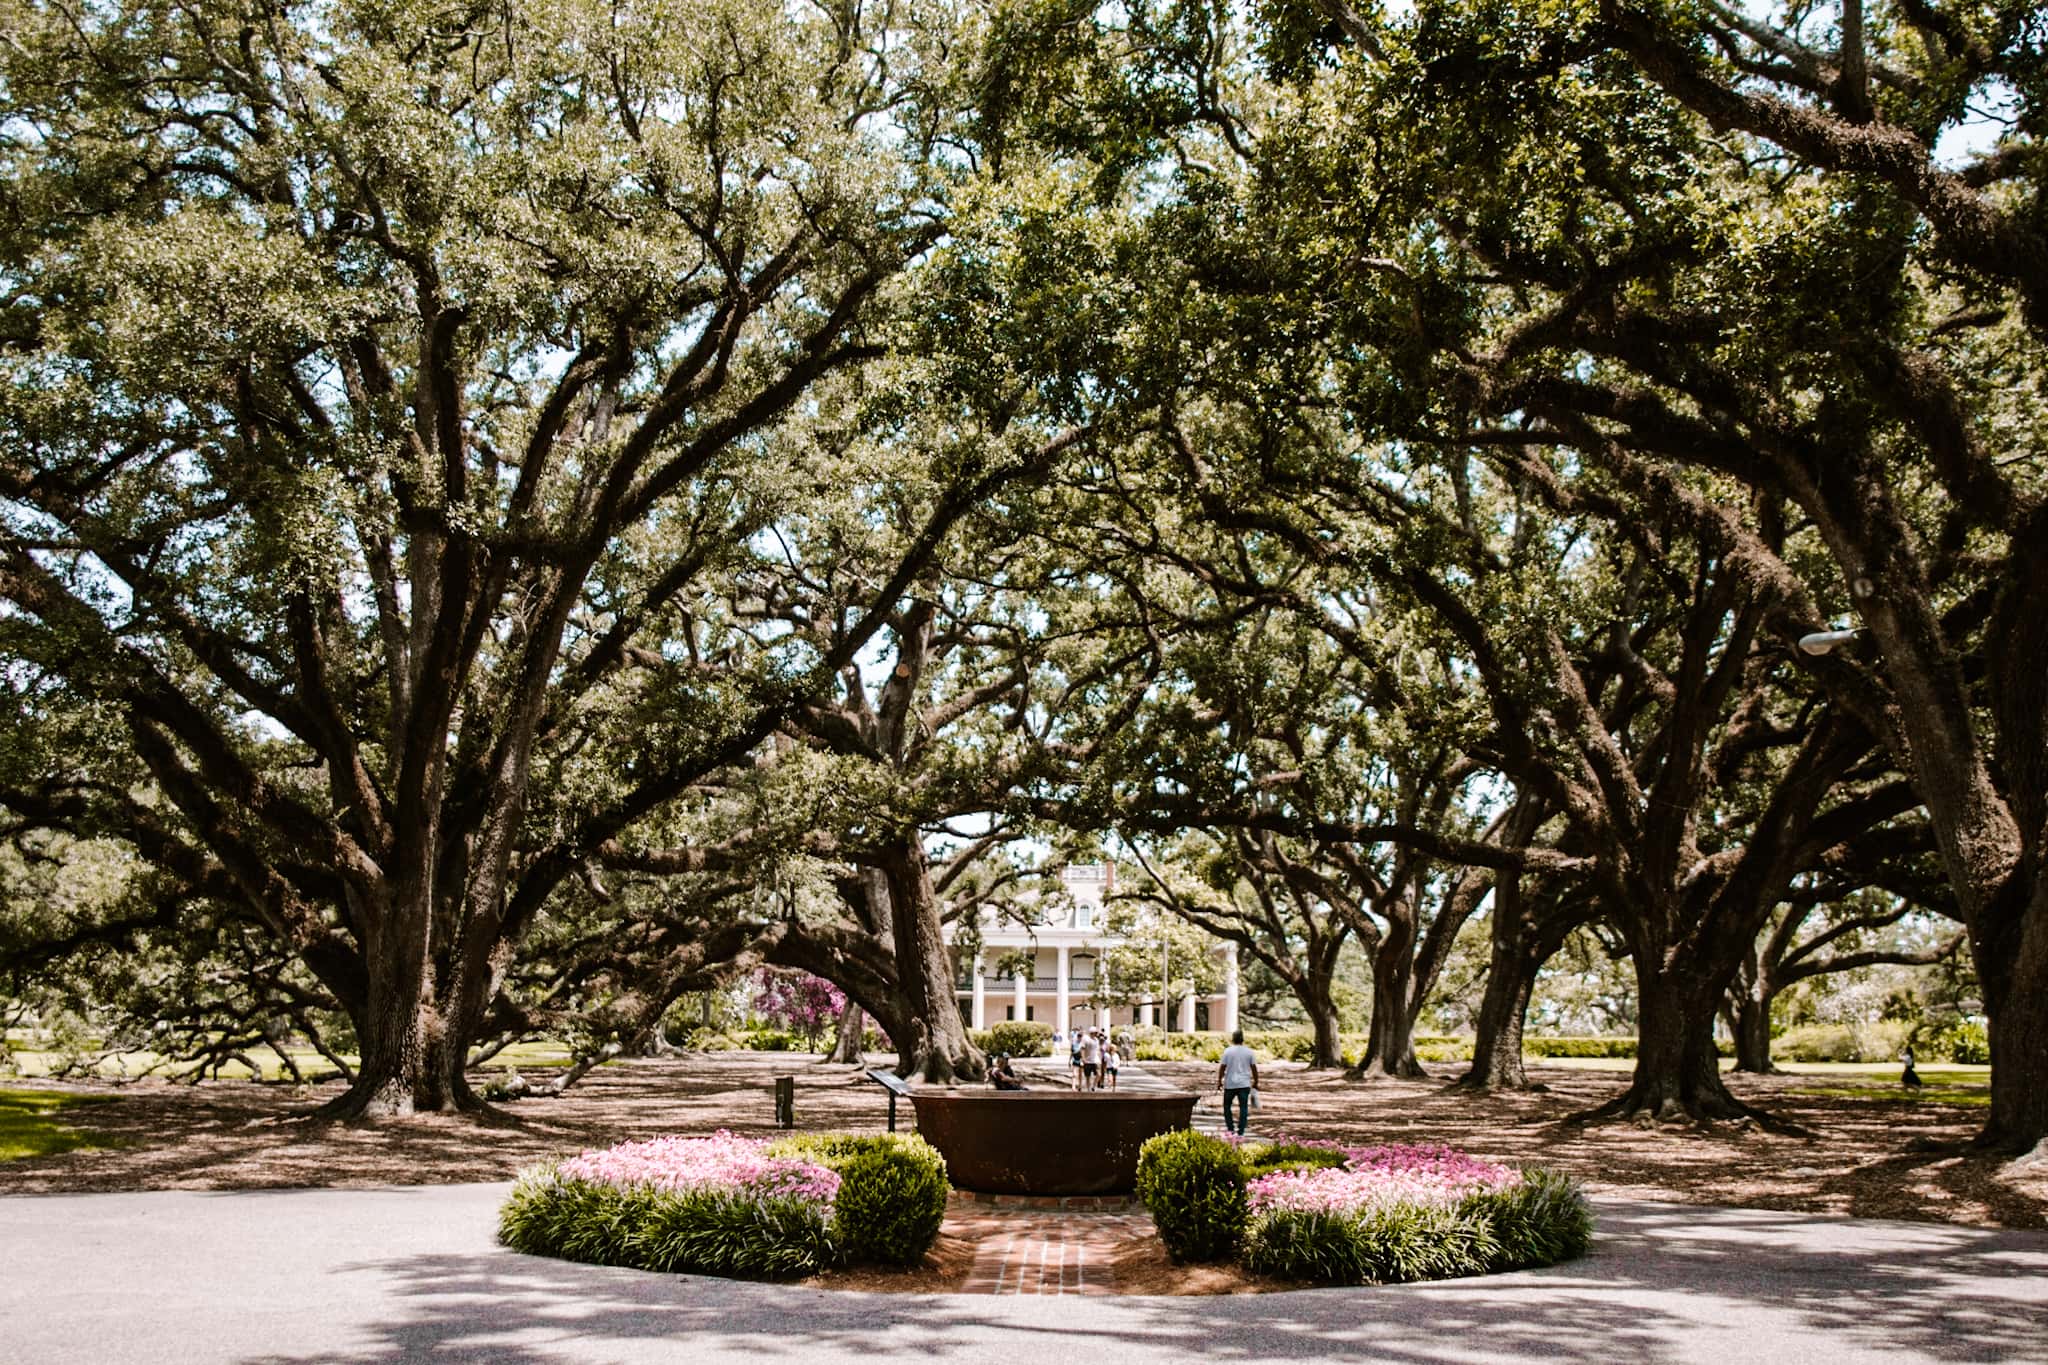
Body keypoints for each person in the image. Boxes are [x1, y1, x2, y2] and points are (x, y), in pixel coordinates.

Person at [1216, 1029, 1258, 1136]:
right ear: (1242, 1039)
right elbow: (1254, 1068)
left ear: (1233, 1039)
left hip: (1230, 1083)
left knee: (1227, 1106)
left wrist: (1219, 1081)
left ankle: (1230, 1128)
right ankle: (1241, 1131)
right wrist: (1256, 1081)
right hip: (1244, 1084)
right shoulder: (1249, 1052)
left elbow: (1222, 1068)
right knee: (1243, 1107)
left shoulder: (1228, 1051)